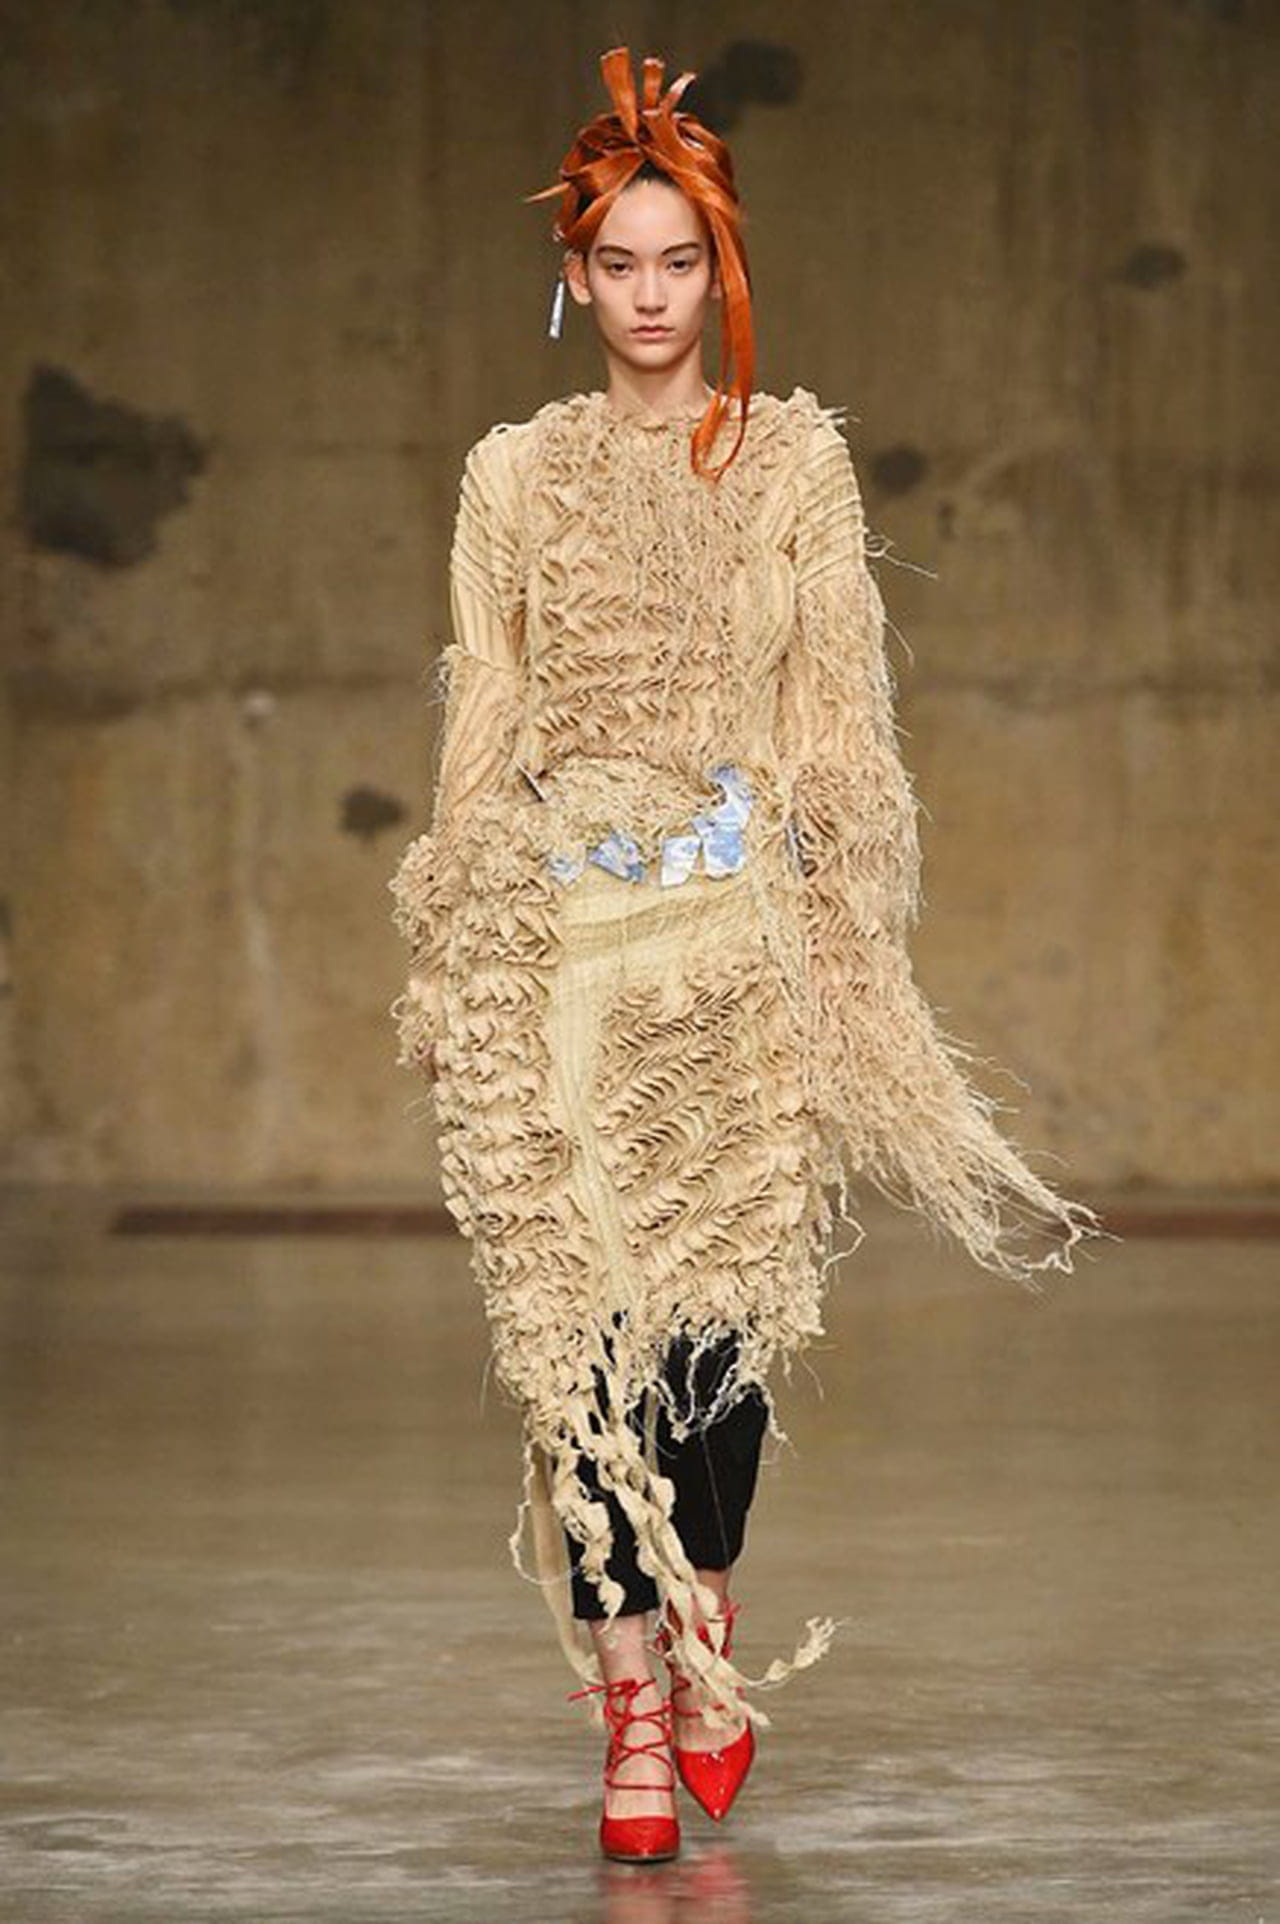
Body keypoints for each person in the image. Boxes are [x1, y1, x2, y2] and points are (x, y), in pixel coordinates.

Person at [387, 45, 1109, 1865]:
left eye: (679, 262)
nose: (649, 296)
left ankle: (702, 1618)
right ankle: (636, 1711)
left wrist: (846, 947)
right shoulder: (512, 475)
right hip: (561, 955)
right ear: (572, 278)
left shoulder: (793, 463)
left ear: (720, 272)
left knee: (715, 1345)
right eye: (616, 264)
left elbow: (836, 713)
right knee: (578, 1345)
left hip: (735, 960)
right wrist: (458, 939)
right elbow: (488, 701)